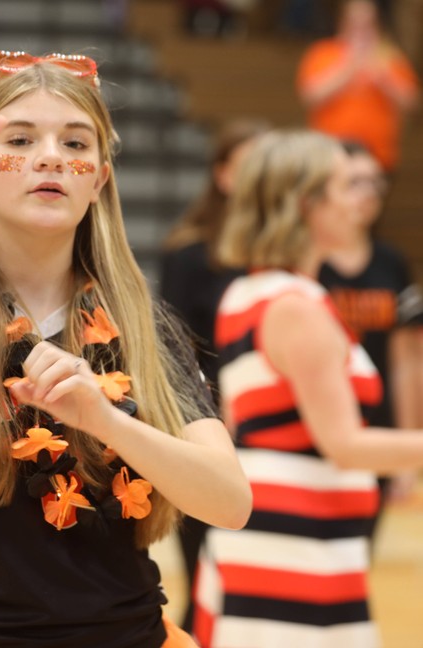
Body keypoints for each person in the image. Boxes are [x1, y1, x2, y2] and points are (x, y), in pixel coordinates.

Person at [0, 50, 252, 647]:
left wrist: (104, 419)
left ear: (98, 179)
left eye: (75, 144)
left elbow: (230, 501)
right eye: (19, 137)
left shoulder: (145, 326)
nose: (50, 157)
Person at [192, 129, 423, 647]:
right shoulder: (297, 305)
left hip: (288, 530)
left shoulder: (247, 290)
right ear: (306, 204)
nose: (359, 199)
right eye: (345, 186)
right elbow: (344, 444)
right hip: (294, 536)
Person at [159, 117, 268, 632]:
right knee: (208, 583)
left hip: (276, 439)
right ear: (223, 175)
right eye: (252, 166)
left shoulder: (285, 256)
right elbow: (178, 353)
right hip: (212, 429)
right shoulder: (190, 253)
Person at [318, 141, 423, 510]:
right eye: (355, 182)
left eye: (376, 182)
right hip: (320, 425)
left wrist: (409, 441)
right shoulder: (308, 264)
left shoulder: (391, 262)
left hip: (379, 427)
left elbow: (407, 361)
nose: (369, 193)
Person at [296, 0, 420, 172]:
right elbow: (310, 96)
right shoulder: (322, 52)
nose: (360, 29)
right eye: (354, 23)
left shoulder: (389, 56)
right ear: (342, 22)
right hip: (329, 152)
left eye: (367, 23)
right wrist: (348, 69)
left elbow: (412, 103)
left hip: (379, 153)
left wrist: (383, 78)